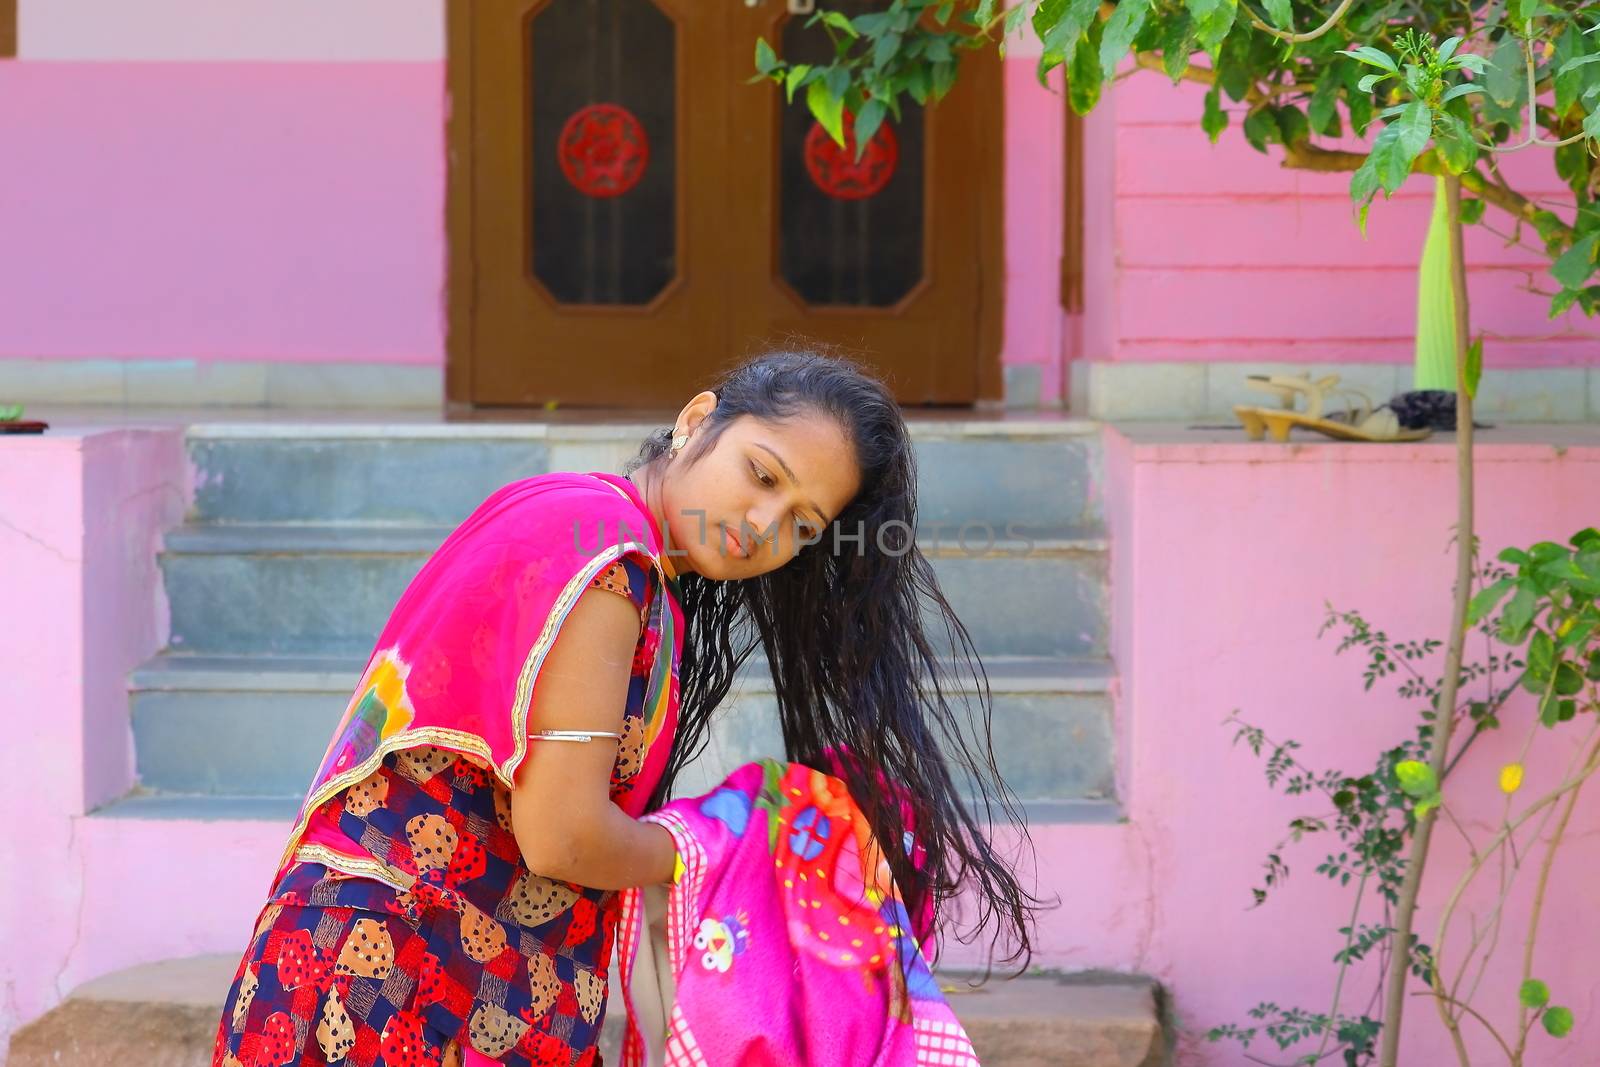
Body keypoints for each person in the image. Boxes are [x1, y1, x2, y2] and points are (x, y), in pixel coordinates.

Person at [212, 350, 1043, 1067]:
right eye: (761, 473)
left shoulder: (597, 536)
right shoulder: (606, 557)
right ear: (696, 420)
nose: (762, 524)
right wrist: (727, 844)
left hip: (432, 981)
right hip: (390, 984)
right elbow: (562, 833)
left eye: (802, 522)